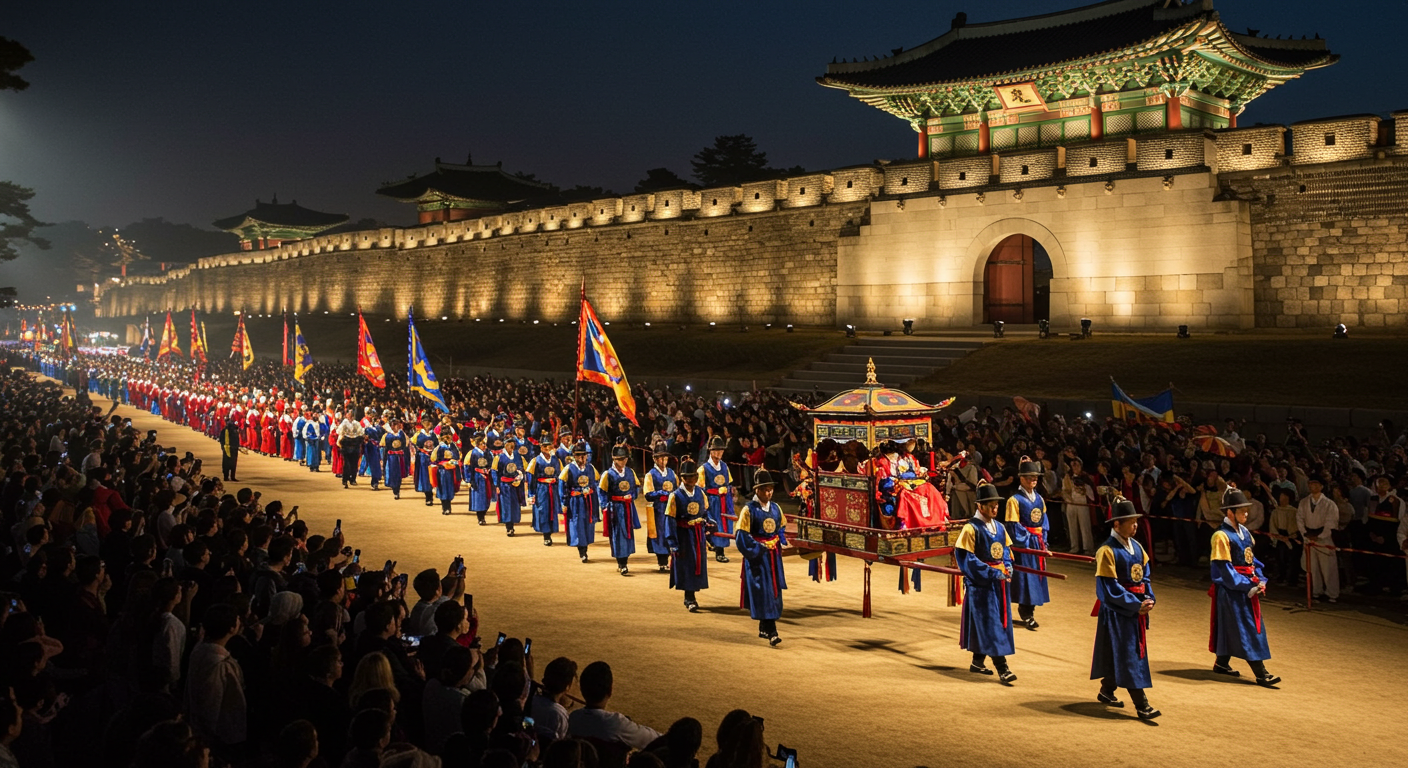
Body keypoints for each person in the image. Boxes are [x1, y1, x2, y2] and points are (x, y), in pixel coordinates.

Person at [1090, 496, 1160, 720]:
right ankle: (1141, 703)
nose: (1135, 525)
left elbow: (1145, 578)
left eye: (1136, 521)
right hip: (1118, 611)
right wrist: (1134, 604)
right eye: (1130, 521)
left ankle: (1107, 690)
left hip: (1137, 609)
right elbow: (1107, 588)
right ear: (1116, 524)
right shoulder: (1107, 551)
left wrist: (1149, 598)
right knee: (1130, 654)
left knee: (1116, 651)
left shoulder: (1138, 547)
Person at [1209, 486, 1282, 687]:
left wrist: (1260, 579)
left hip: (1247, 586)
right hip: (1231, 589)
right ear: (1230, 512)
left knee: (1232, 626)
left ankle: (1222, 663)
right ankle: (1261, 673)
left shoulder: (1245, 533)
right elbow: (1223, 570)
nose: (1246, 514)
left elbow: (1252, 561)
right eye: (1242, 510)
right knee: (1247, 629)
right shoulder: (1221, 536)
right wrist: (1247, 586)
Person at [955, 482, 1016, 683]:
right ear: (979, 506)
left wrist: (1007, 567)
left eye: (996, 505)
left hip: (999, 583)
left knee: (994, 621)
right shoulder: (970, 528)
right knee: (991, 624)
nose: (994, 509)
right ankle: (1002, 667)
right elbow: (967, 559)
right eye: (990, 505)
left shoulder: (999, 527)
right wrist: (991, 572)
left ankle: (977, 661)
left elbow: (1005, 552)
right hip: (981, 585)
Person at [735, 468, 787, 645]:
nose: (769, 492)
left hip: (773, 558)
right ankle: (772, 631)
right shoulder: (748, 510)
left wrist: (780, 540)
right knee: (762, 592)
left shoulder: (776, 508)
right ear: (757, 490)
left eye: (771, 488)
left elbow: (781, 527)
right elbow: (742, 536)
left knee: (772, 592)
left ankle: (764, 627)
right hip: (758, 558)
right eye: (765, 489)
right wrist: (759, 547)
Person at [566, 661, 661, 752]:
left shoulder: (573, 718)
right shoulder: (615, 722)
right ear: (610, 691)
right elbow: (653, 740)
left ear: (582, 691)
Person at [1005, 456, 1050, 631]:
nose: (1033, 480)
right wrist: (1026, 540)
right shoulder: (1014, 500)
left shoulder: (1039, 499)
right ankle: (1026, 612)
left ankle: (1030, 610)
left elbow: (1044, 522)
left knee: (1036, 577)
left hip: (1037, 542)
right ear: (1021, 478)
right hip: (1024, 544)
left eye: (1035, 477)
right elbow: (1013, 526)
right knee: (1026, 578)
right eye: (1030, 477)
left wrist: (1043, 540)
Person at [665, 459, 713, 612]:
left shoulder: (700, 492)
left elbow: (705, 512)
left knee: (697, 563)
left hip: (697, 535)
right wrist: (672, 542)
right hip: (683, 535)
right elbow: (670, 520)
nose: (691, 480)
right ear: (682, 478)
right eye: (688, 477)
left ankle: (693, 593)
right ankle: (689, 597)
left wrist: (708, 522)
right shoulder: (675, 496)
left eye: (694, 477)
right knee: (686, 565)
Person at [1296, 476, 1340, 603]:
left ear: (1321, 486)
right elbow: (1299, 518)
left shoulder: (1329, 504)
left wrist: (1320, 535)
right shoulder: (1304, 502)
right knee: (1313, 567)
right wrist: (1304, 533)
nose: (1312, 486)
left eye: (1315, 484)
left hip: (1324, 537)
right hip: (1308, 536)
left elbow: (1331, 522)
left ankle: (1332, 593)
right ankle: (1316, 591)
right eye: (1310, 484)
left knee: (1328, 568)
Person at [599, 445, 641, 575]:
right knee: (618, 533)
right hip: (615, 508)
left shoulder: (630, 472)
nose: (623, 462)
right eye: (620, 459)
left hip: (628, 506)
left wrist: (632, 496)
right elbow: (602, 492)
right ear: (614, 459)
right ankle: (621, 562)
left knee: (627, 532)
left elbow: (636, 487)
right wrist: (605, 507)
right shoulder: (608, 474)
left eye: (625, 459)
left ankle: (626, 558)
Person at [560, 442, 600, 563]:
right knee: (578, 524)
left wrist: (593, 494)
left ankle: (585, 547)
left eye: (584, 455)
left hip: (588, 500)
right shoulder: (568, 469)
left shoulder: (591, 468)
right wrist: (564, 502)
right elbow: (563, 486)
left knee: (588, 523)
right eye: (579, 455)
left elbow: (596, 482)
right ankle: (582, 550)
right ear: (574, 456)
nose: (582, 458)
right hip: (576, 501)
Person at [643, 446, 678, 573]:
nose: (664, 460)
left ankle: (670, 559)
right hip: (659, 508)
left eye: (665, 457)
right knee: (660, 533)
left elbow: (677, 488)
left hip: (671, 507)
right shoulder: (650, 475)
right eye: (661, 457)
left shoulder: (672, 473)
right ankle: (661, 561)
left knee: (672, 531)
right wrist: (661, 494)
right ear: (655, 459)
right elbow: (648, 494)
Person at [699, 436, 734, 564]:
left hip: (724, 501)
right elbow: (700, 488)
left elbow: (729, 483)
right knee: (715, 524)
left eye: (721, 450)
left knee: (725, 524)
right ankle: (718, 550)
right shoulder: (704, 468)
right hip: (712, 501)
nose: (719, 453)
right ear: (711, 451)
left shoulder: (724, 466)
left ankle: (720, 548)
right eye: (716, 450)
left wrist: (729, 492)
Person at [526, 439, 563, 546]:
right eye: (545, 446)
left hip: (553, 489)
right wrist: (531, 494)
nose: (547, 449)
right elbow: (531, 478)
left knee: (553, 509)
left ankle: (551, 531)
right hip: (541, 489)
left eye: (549, 446)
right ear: (541, 448)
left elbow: (561, 476)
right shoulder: (535, 461)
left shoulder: (556, 460)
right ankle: (546, 535)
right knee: (543, 510)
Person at [493, 436, 526, 537]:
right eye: (508, 444)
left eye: (512, 444)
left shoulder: (519, 456)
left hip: (515, 485)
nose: (510, 446)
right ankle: (509, 527)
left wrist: (520, 477)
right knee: (506, 505)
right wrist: (497, 485)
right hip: (504, 485)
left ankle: (513, 524)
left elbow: (523, 468)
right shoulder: (499, 457)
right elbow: (495, 472)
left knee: (515, 505)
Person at [465, 432, 495, 526]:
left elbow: (492, 463)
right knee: (479, 498)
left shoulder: (488, 453)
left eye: (485, 443)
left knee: (487, 497)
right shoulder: (472, 453)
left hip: (487, 477)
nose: (484, 445)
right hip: (477, 478)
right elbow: (467, 467)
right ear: (478, 444)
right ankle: (480, 518)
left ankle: (484, 513)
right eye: (482, 444)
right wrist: (469, 479)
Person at [430, 431, 462, 516]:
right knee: (442, 488)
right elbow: (433, 459)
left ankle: (449, 506)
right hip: (442, 471)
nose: (447, 439)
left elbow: (457, 456)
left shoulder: (453, 446)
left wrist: (453, 462)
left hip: (451, 471)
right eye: (445, 437)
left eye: (448, 437)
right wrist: (442, 463)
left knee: (450, 489)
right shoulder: (439, 447)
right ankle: (445, 507)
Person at [381, 417, 410, 500]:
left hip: (400, 457)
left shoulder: (402, 434)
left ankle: (397, 489)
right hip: (391, 457)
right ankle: (395, 490)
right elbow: (385, 448)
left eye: (396, 425)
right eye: (393, 425)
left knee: (399, 474)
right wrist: (384, 459)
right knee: (393, 474)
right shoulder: (387, 435)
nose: (395, 427)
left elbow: (405, 445)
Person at [413, 418, 438, 507]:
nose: (428, 426)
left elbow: (437, 444)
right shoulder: (419, 435)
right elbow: (416, 445)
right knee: (425, 477)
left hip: (432, 458)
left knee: (433, 476)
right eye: (426, 424)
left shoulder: (433, 435)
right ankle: (428, 496)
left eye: (429, 424)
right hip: (423, 458)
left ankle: (434, 493)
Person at [336, 414, 364, 488]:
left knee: (354, 463)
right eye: (349, 415)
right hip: (346, 443)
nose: (350, 417)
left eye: (351, 415)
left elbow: (361, 432)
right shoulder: (344, 423)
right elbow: (339, 432)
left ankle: (353, 479)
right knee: (347, 463)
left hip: (355, 443)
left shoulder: (356, 423)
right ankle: (345, 479)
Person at [219, 416, 240, 481]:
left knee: (229, 463)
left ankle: (229, 476)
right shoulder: (228, 431)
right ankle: (229, 476)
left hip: (230, 448)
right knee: (229, 463)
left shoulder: (227, 430)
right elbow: (222, 439)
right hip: (229, 448)